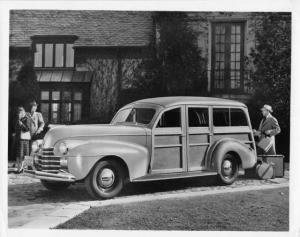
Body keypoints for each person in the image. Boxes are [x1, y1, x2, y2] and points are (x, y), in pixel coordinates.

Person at [14, 107, 31, 173]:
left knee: (23, 154)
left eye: (20, 113)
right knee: (18, 154)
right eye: (18, 113)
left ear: (23, 112)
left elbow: (27, 129)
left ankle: (23, 168)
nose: (19, 114)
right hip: (19, 139)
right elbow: (16, 128)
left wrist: (21, 125)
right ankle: (19, 168)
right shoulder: (19, 119)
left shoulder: (27, 119)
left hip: (24, 140)